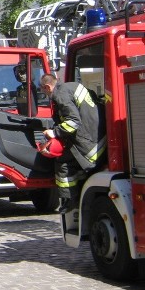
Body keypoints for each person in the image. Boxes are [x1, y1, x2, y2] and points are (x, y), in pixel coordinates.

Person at [39, 73, 107, 212]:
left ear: (47, 86)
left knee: (62, 164)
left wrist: (54, 133)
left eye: (42, 90)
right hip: (100, 138)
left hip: (90, 147)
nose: (43, 93)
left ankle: (69, 201)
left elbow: (73, 121)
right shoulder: (71, 87)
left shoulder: (60, 95)